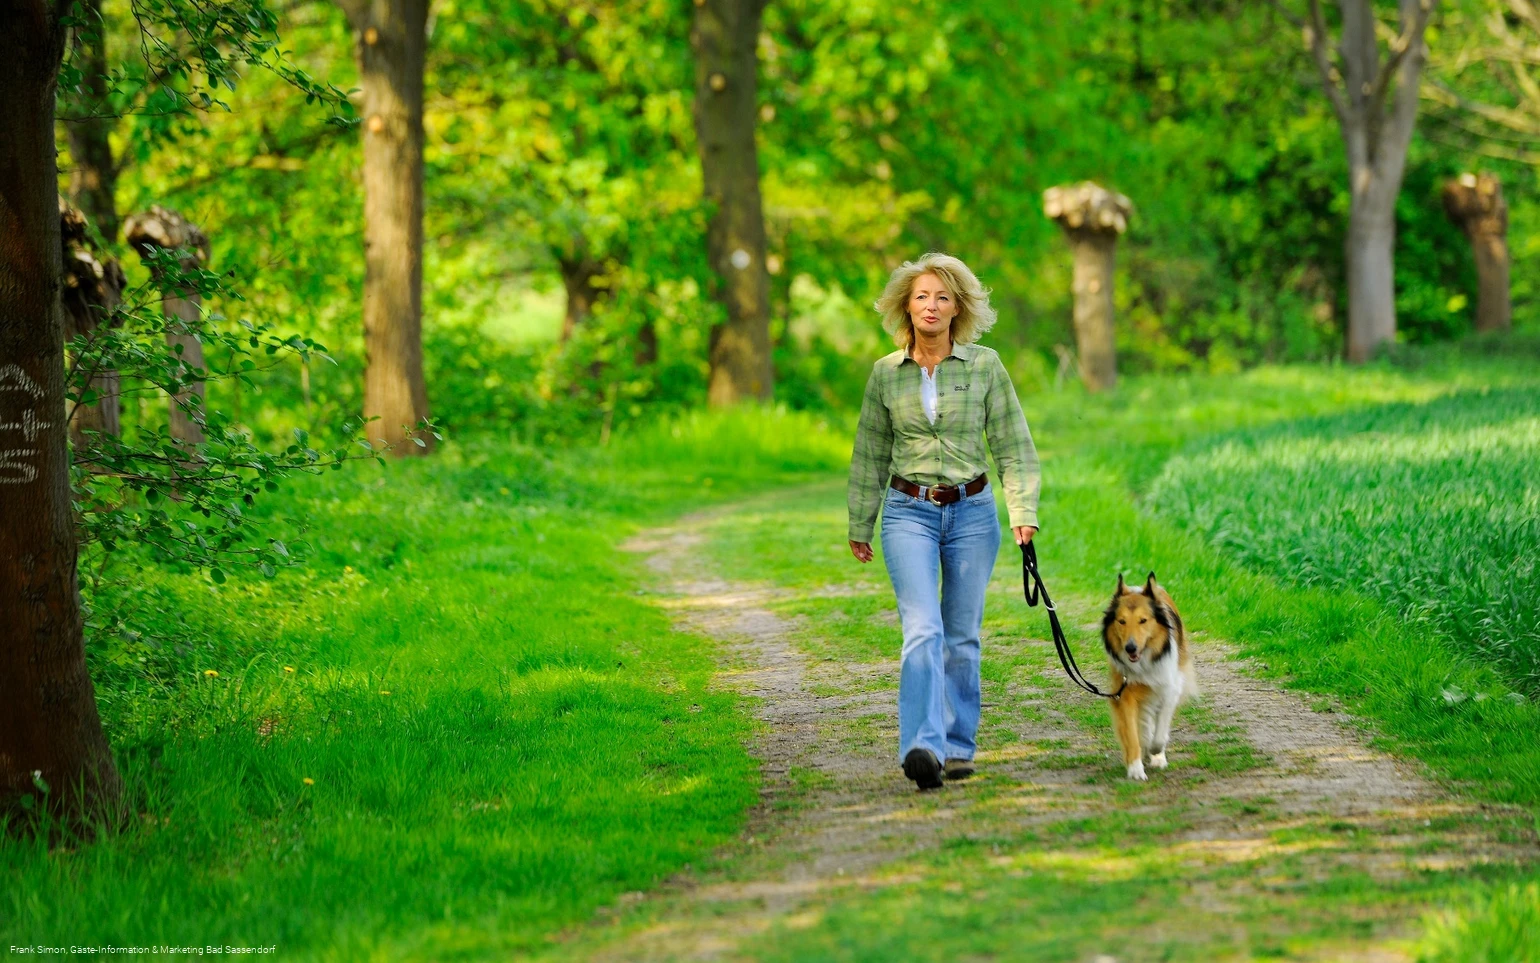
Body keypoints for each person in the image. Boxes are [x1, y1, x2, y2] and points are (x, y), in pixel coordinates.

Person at [847, 252, 1040, 790]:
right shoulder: (885, 375)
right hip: (908, 511)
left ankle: (958, 748)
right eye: (921, 296)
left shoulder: (985, 366)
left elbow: (1013, 446)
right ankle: (922, 746)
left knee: (961, 636)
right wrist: (861, 522)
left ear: (959, 309)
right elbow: (869, 452)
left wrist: (1023, 511)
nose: (931, 306)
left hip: (973, 513)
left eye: (943, 297)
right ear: (905, 307)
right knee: (922, 630)